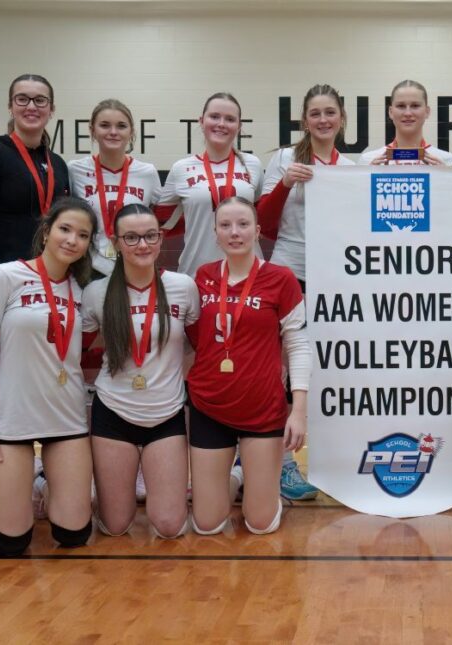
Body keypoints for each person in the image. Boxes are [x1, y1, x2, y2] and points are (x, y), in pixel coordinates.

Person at [0, 73, 70, 516]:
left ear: (51, 110)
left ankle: (27, 479)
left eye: (40, 100)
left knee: (29, 381)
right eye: (22, 99)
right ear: (10, 106)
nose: (31, 106)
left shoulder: (56, 164)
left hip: (39, 293)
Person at [0, 197, 96, 556]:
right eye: (65, 229)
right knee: (9, 545)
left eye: (83, 235)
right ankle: (0, 494)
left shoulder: (83, 291)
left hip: (66, 416)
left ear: (89, 244)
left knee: (73, 536)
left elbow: (78, 353)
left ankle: (40, 484)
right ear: (46, 231)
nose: (72, 240)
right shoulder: (6, 276)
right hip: (12, 419)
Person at [185, 197, 311, 535]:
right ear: (215, 233)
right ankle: (236, 478)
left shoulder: (280, 279)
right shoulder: (203, 277)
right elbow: (194, 337)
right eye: (225, 225)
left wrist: (298, 410)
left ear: (257, 231)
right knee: (207, 524)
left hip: (262, 408)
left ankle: (251, 483)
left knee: (260, 523)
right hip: (209, 405)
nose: (234, 232)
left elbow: (298, 345)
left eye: (243, 224)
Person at [256, 83, 354, 500]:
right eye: (315, 113)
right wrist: (284, 185)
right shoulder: (284, 158)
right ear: (304, 120)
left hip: (334, 274)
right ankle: (283, 464)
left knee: (331, 364)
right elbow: (264, 220)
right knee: (282, 368)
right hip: (289, 270)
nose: (323, 120)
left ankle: (335, 458)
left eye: (330, 112)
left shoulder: (351, 166)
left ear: (342, 119)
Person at [81, 204, 199, 539]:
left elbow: (199, 346)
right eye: (131, 237)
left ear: (161, 239)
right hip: (113, 414)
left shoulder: (183, 287)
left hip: (166, 416)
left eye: (150, 236)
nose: (142, 244)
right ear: (116, 242)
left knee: (169, 526)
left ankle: (232, 478)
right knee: (115, 526)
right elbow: (77, 353)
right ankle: (45, 481)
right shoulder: (96, 293)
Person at [156, 92, 263, 276]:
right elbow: (161, 222)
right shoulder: (181, 168)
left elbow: (260, 213)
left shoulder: (253, 164)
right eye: (214, 117)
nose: (221, 124)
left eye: (230, 119)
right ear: (201, 120)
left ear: (239, 126)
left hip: (248, 272)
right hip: (197, 271)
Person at [68, 99, 162, 279]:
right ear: (92, 130)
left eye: (121, 126)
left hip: (134, 262)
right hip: (88, 266)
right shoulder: (75, 170)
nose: (113, 132)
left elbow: (163, 218)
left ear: (131, 131)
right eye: (104, 125)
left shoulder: (147, 172)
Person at [358, 80, 452, 166]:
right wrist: (368, 177)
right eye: (401, 106)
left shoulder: (449, 161)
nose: (408, 113)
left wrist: (445, 177)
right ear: (391, 112)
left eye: (415, 105)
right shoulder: (367, 161)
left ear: (427, 112)